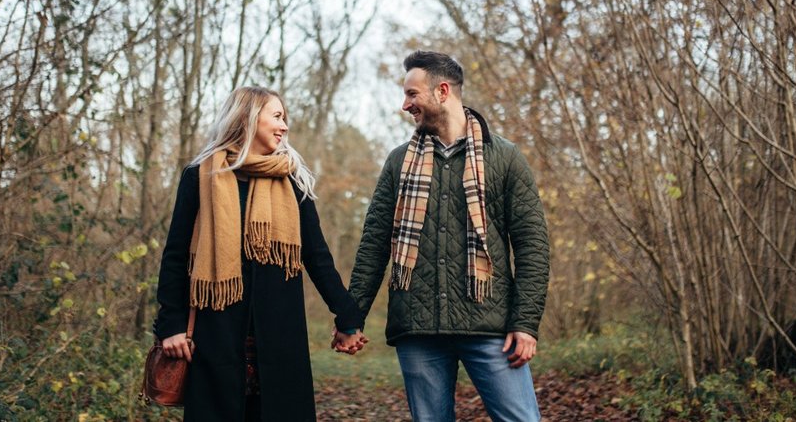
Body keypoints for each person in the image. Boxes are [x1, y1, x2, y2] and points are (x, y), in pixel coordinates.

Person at [334, 50, 550, 422]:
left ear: (442, 91)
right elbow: (374, 246)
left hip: (491, 327)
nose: (405, 105)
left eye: (412, 94)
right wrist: (351, 318)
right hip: (418, 330)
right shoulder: (399, 162)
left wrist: (525, 323)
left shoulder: (504, 158)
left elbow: (532, 246)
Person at [155, 86, 367, 421]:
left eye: (286, 118)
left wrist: (348, 317)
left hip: (280, 338)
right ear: (248, 117)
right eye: (277, 116)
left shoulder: (293, 179)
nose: (285, 126)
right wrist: (171, 324)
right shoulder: (200, 176)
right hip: (216, 337)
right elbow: (176, 257)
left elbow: (317, 257)